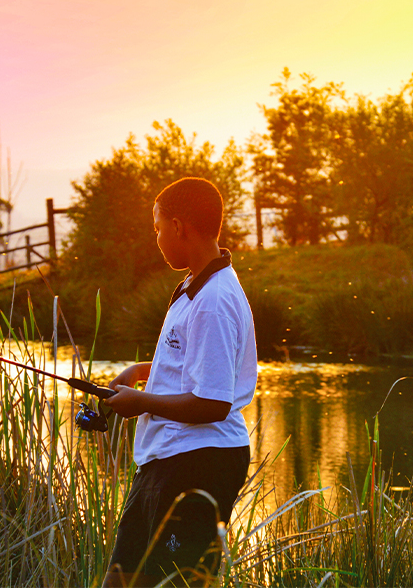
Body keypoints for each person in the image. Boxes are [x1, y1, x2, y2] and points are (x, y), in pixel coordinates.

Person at [102, 177, 257, 587]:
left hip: (200, 463)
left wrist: (142, 402)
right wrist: (140, 372)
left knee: (177, 584)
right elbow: (194, 361)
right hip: (165, 460)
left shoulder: (215, 300)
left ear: (178, 227)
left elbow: (213, 403)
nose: (155, 238)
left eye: (156, 228)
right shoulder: (194, 284)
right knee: (121, 581)